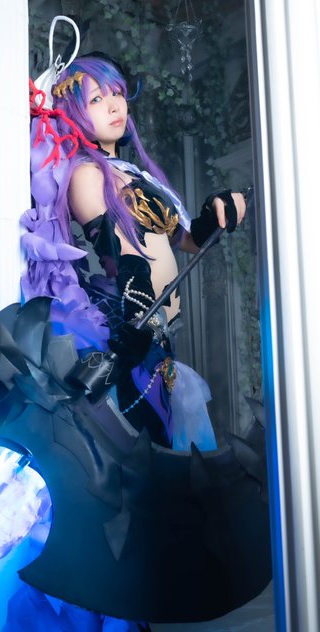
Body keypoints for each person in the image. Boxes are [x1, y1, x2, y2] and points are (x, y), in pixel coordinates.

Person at [23, 53, 246, 450]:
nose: (114, 106)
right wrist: (140, 316)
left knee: (172, 458)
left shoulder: (135, 174)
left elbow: (189, 239)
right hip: (130, 329)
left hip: (158, 335)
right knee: (146, 460)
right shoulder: (87, 174)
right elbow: (119, 251)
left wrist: (219, 209)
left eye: (117, 94)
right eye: (96, 99)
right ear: (72, 112)